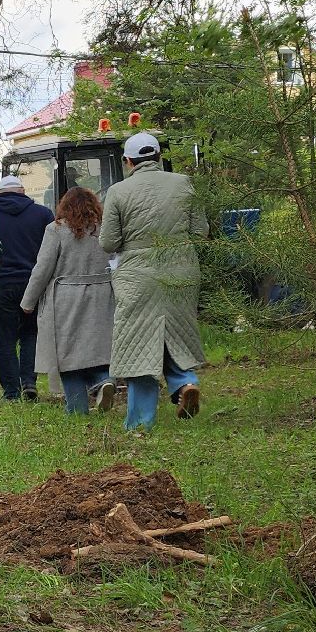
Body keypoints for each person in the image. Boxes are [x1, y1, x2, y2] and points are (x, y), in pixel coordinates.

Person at [101, 132, 207, 431]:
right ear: (159, 157)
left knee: (137, 343)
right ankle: (186, 382)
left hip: (138, 275)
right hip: (182, 269)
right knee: (173, 332)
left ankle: (140, 422)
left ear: (128, 161)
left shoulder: (118, 192)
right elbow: (200, 231)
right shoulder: (184, 183)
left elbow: (108, 242)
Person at [22, 187, 116, 415]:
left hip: (65, 298)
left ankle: (77, 410)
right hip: (102, 295)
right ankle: (103, 381)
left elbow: (42, 269)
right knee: (98, 349)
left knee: (66, 356)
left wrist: (28, 301)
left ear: (65, 206)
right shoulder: (103, 229)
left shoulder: (56, 230)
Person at [0, 175, 54, 401]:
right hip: (32, 283)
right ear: (23, 192)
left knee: (4, 339)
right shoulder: (43, 215)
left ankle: (11, 392)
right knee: (30, 333)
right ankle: (28, 382)